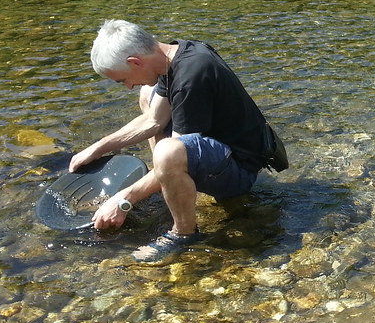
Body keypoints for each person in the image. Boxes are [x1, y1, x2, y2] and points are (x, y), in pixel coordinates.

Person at [70, 20, 275, 263]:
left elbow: (175, 150)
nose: (128, 86)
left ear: (135, 62)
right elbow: (153, 121)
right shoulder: (173, 57)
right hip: (218, 152)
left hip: (240, 171)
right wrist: (98, 147)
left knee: (168, 154)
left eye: (122, 80)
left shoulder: (192, 76)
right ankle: (170, 185)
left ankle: (184, 233)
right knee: (148, 94)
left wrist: (124, 200)